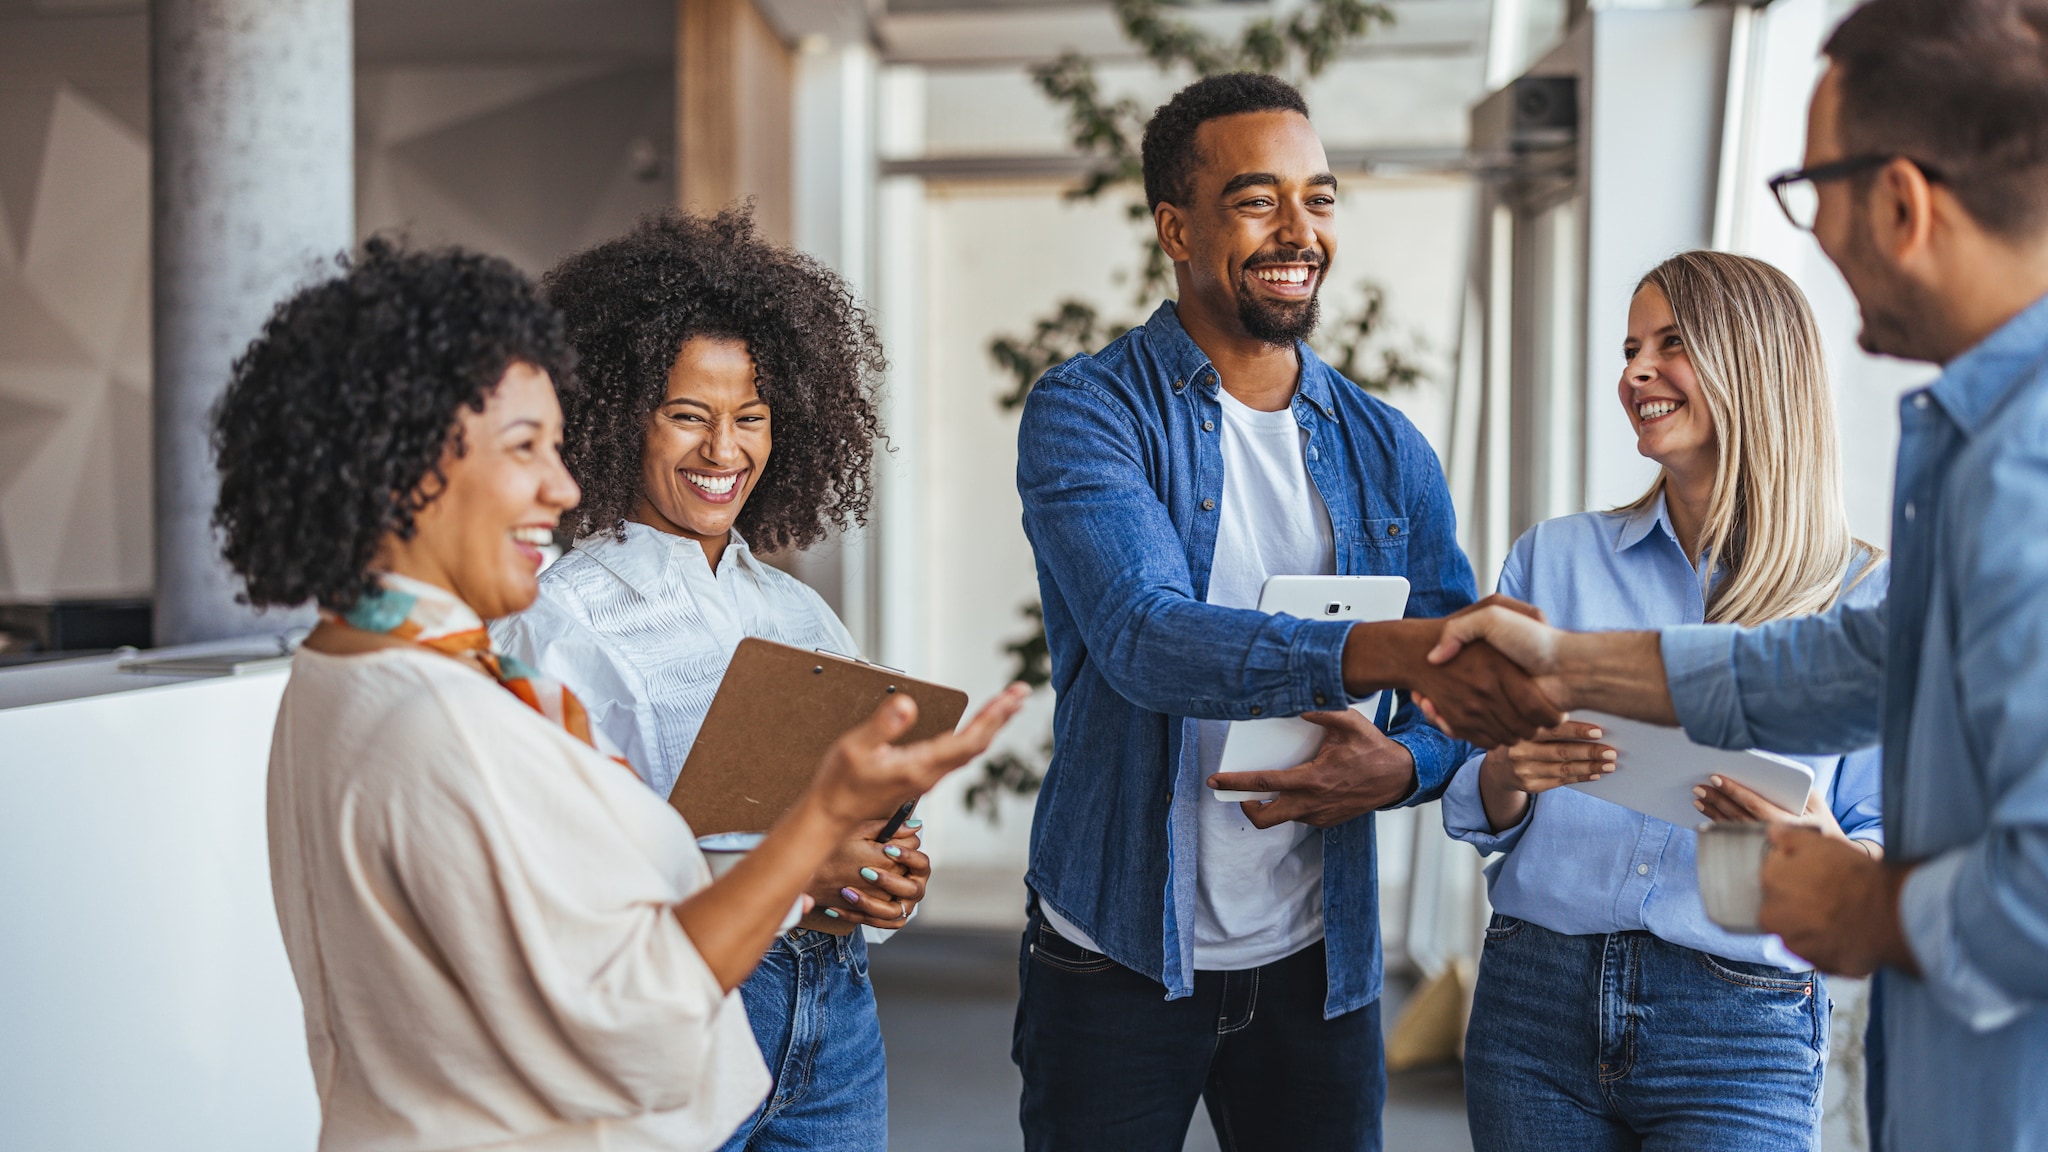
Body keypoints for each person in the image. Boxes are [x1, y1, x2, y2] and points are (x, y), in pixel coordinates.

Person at [213, 238, 1026, 1152]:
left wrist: (868, 861)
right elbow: (631, 1007)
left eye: (556, 447)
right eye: (526, 447)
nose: (561, 488)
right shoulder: (456, 710)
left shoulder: (354, 668)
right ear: (410, 463)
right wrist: (809, 840)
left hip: (800, 1004)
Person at [1424, 2, 2048, 1147]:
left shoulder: (2019, 464)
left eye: (1811, 192)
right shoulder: (1967, 440)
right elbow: (1840, 664)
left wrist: (1863, 901)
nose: (1811, 237)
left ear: (1901, 202)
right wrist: (1564, 663)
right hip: (1551, 997)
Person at [1010, 72, 1555, 1152]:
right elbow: (1143, 638)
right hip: (1117, 952)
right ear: (1176, 225)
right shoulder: (1089, 412)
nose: (1296, 231)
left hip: (1315, 961)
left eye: (1319, 197)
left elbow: (1450, 700)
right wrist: (1379, 648)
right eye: (1257, 200)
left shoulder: (1383, 445)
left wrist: (1402, 768)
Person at [1445, 250, 1887, 1150]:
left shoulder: (1864, 595)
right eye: (1629, 346)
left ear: (1753, 364)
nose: (1635, 372)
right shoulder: (1554, 559)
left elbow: (1887, 836)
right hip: (1537, 997)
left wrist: (1826, 851)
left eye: (1671, 343)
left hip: (1742, 1022)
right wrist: (1508, 775)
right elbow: (1469, 781)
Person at [490, 208, 911, 1152]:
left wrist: (882, 873)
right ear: (614, 415)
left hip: (834, 1019)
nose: (724, 452)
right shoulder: (561, 620)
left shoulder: (803, 618)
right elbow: (564, 884)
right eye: (689, 415)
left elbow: (852, 809)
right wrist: (798, 871)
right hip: (680, 1013)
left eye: (750, 418)